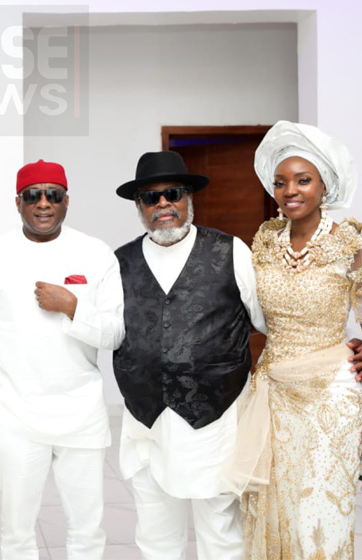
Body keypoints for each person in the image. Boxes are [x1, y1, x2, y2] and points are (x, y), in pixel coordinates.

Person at [112, 151, 266, 560]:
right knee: (156, 532)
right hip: (148, 420)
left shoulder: (232, 251)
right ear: (140, 207)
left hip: (215, 420)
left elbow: (269, 321)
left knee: (221, 532)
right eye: (151, 197)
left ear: (188, 199)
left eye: (172, 194)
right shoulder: (119, 262)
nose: (163, 204)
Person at [0, 159, 124, 560]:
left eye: (52, 195)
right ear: (17, 202)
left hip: (82, 412)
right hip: (15, 415)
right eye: (32, 195)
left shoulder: (95, 253)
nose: (43, 204)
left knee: (87, 530)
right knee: (17, 531)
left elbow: (114, 332)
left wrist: (73, 306)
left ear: (67, 200)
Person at [228, 121, 362, 558]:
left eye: (303, 180)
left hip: (331, 394)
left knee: (322, 510)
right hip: (272, 392)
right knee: (274, 505)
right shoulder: (265, 240)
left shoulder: (350, 242)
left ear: (325, 185)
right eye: (281, 182)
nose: (290, 191)